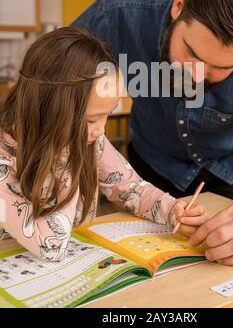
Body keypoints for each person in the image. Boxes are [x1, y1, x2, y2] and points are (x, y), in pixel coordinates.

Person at [72, 0, 233, 265]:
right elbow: (54, 84)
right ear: (180, 5)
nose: (195, 76)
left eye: (221, 68)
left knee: (229, 256)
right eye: (191, 53)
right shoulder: (120, 13)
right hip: (149, 167)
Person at [0, 28, 207, 262]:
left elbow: (130, 188)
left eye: (106, 115)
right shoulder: (5, 160)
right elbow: (50, 246)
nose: (101, 130)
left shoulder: (89, 138)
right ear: (50, 110)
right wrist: (65, 154)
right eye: (91, 120)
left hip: (76, 265)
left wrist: (171, 209)